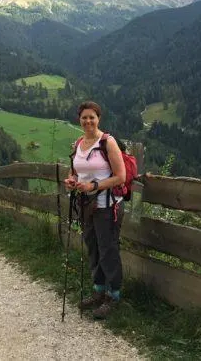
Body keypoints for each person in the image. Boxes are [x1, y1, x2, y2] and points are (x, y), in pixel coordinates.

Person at [64, 101, 126, 319]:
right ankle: (99, 291)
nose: (88, 121)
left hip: (108, 205)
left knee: (108, 249)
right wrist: (72, 181)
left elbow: (121, 176)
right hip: (87, 206)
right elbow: (74, 172)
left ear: (98, 119)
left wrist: (94, 186)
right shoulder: (78, 144)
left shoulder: (108, 142)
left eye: (92, 117)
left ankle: (113, 295)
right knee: (92, 246)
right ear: (79, 120)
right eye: (84, 117)